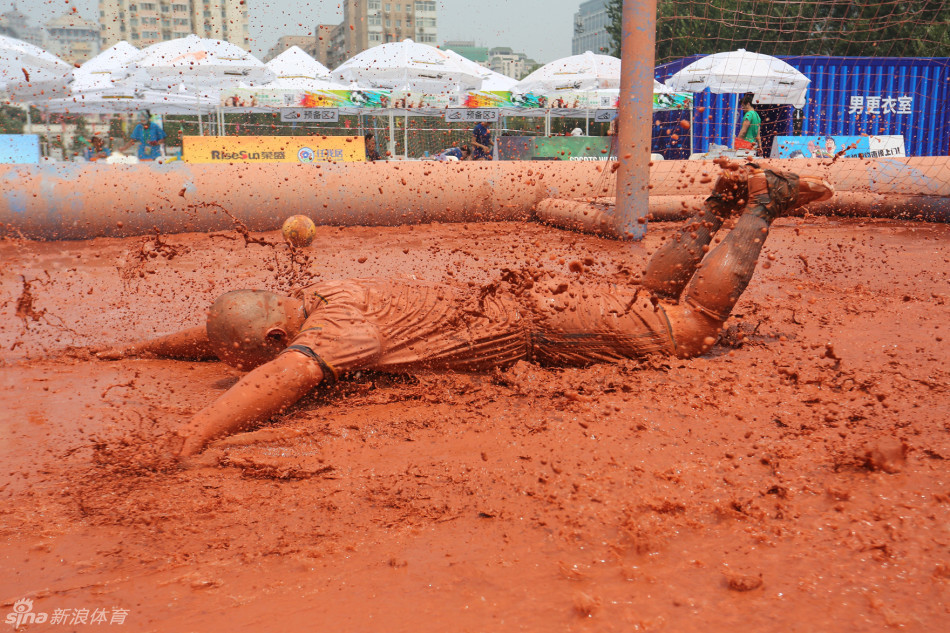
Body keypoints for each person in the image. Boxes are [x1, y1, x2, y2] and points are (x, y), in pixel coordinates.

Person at [98, 163, 832, 459]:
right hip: (531, 297)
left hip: (543, 325)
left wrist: (192, 434)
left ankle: (764, 200)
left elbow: (281, 377)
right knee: (650, 300)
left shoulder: (335, 330)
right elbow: (224, 337)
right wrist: (137, 350)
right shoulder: (324, 292)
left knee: (687, 331)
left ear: (276, 334)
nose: (248, 367)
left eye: (254, 353)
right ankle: (719, 203)